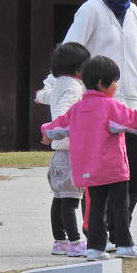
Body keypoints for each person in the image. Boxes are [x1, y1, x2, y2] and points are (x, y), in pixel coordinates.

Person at [62, 0, 137, 252]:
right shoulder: (91, 9)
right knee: (103, 178)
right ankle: (98, 232)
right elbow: (70, 51)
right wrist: (68, 92)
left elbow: (135, 61)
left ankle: (117, 232)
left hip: (129, 107)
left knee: (133, 176)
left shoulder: (134, 11)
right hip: (101, 109)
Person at [40, 56, 137, 261]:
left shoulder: (77, 109)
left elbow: (57, 125)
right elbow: (135, 121)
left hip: (89, 169)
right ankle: (124, 244)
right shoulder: (111, 106)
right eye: (115, 81)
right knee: (120, 206)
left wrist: (46, 133)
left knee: (96, 209)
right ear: (102, 83)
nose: (116, 85)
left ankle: (94, 247)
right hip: (113, 168)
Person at [35, 42, 90, 257]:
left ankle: (60, 241)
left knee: (59, 197)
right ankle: (75, 243)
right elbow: (62, 112)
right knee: (70, 199)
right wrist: (51, 130)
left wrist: (39, 96)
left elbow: (45, 96)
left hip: (59, 152)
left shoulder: (58, 84)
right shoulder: (75, 87)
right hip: (69, 150)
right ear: (79, 69)